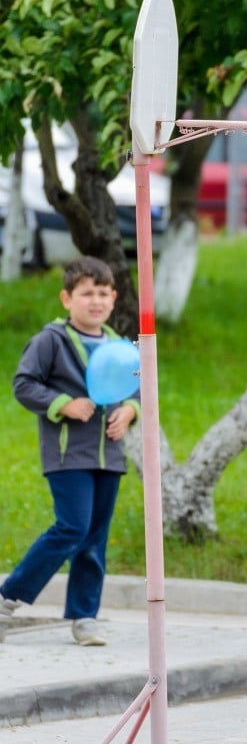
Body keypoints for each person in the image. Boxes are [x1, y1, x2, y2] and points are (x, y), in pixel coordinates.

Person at [0, 256, 140, 647]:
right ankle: (7, 598)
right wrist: (64, 403)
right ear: (67, 298)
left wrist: (131, 410)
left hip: (109, 456)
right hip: (67, 454)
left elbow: (136, 388)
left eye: (102, 293)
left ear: (113, 298)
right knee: (72, 528)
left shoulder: (120, 345)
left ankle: (84, 618)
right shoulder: (51, 341)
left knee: (95, 536)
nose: (95, 301)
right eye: (85, 293)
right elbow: (24, 384)